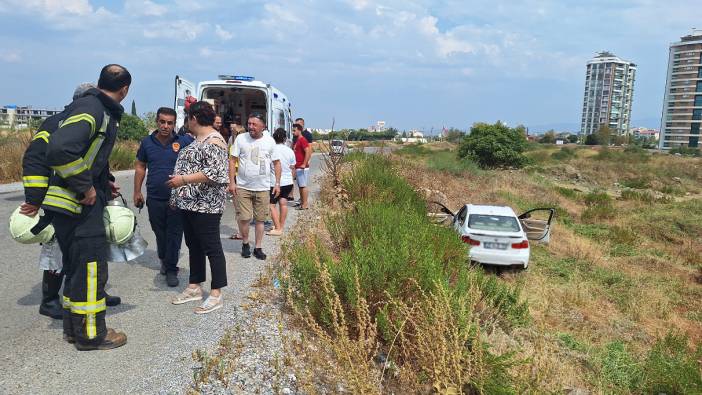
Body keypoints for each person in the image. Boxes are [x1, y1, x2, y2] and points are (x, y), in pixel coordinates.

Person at [42, 64, 131, 350]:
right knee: (92, 270)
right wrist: (87, 186)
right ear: (125, 90)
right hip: (78, 205)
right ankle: (92, 335)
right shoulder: (96, 110)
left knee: (77, 269)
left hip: (68, 206)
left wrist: (104, 183)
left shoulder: (90, 107)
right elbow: (59, 149)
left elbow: (88, 155)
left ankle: (73, 329)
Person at [20, 82, 120, 320]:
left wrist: (107, 183)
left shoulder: (93, 120)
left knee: (89, 252)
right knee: (57, 250)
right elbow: (35, 159)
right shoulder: (57, 122)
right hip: (62, 200)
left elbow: (95, 159)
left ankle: (94, 293)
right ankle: (50, 299)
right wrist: (34, 199)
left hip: (88, 199)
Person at [167, 101, 230, 314]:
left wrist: (182, 180)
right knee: (194, 245)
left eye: (187, 118)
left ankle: (216, 293)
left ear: (194, 118)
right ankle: (195, 285)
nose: (187, 122)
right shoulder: (198, 139)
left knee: (211, 247)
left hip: (207, 205)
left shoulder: (215, 140)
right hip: (190, 203)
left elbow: (217, 173)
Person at [134, 107, 194, 287]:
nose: (166, 126)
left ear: (175, 124)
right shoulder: (147, 143)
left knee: (174, 234)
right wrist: (137, 191)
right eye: (162, 122)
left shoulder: (183, 142)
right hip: (154, 197)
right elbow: (140, 167)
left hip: (178, 199)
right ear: (157, 122)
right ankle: (164, 259)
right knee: (160, 233)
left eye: (170, 123)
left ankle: (171, 269)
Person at [230, 113, 281, 260]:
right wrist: (232, 182)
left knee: (260, 220)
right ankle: (245, 243)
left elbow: (277, 163)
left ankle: (258, 247)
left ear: (263, 126)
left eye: (254, 124)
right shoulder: (241, 139)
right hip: (243, 187)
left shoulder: (270, 141)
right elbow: (232, 160)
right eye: (249, 123)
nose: (251, 127)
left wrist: (277, 183)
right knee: (244, 218)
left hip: (263, 188)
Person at [267, 128, 295, 236]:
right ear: (285, 138)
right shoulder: (290, 151)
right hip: (288, 182)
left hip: (275, 182)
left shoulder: (271, 150)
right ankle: (280, 226)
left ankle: (278, 229)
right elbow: (293, 167)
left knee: (271, 205)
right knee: (283, 203)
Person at [227, 121, 246, 240]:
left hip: (239, 178)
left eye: (235, 131)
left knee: (239, 208)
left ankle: (242, 233)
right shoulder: (233, 143)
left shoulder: (238, 145)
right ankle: (242, 232)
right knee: (239, 208)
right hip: (238, 177)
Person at [293, 123, 312, 210]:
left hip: (302, 167)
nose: (293, 132)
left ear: (299, 130)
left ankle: (305, 204)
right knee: (300, 185)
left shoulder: (302, 140)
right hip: (298, 167)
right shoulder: (297, 140)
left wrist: (304, 163)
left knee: (303, 185)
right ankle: (302, 202)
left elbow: (308, 151)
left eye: (294, 130)